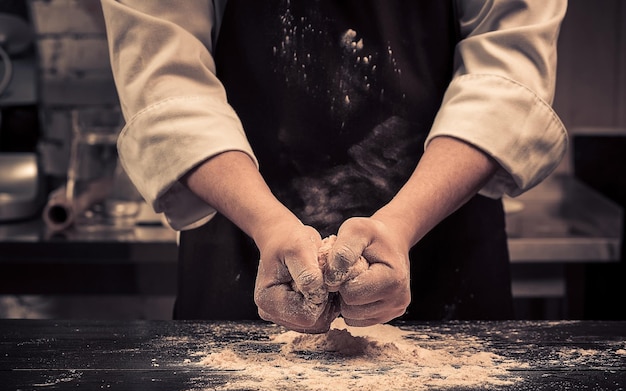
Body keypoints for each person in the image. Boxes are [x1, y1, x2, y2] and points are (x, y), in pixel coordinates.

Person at [101, 0, 568, 333]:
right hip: (243, 238)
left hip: (442, 232)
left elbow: (507, 71)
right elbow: (167, 81)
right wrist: (267, 222)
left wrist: (401, 224)